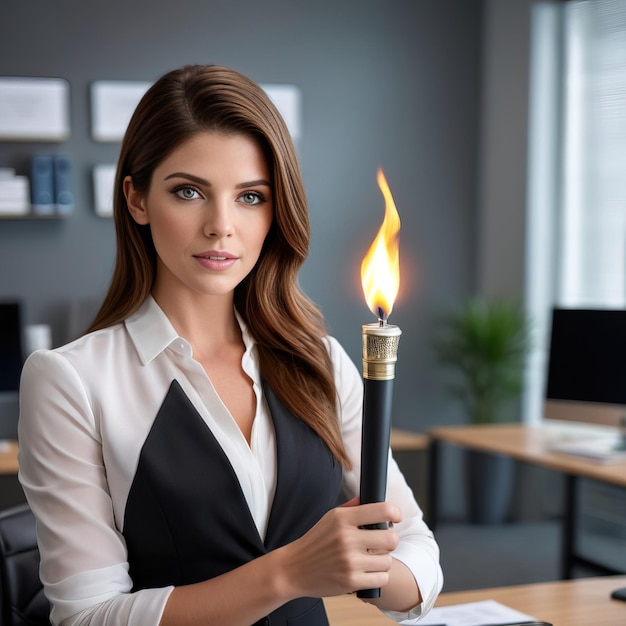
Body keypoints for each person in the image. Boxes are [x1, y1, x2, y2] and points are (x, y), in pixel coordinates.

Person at [18, 64, 443, 626]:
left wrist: (364, 567)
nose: (221, 226)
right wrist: (291, 573)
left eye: (250, 197)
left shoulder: (320, 361)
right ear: (138, 200)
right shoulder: (69, 380)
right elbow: (87, 615)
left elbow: (418, 554)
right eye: (189, 191)